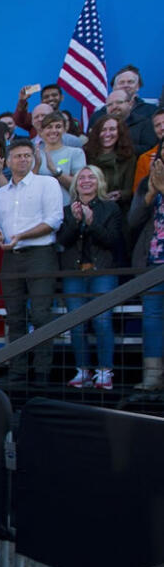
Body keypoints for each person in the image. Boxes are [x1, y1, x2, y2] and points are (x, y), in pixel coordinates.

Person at [0, 138, 65, 383]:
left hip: (40, 255)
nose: (22, 159)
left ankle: (42, 372)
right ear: (8, 161)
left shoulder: (47, 183)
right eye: (18, 156)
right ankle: (18, 371)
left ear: (33, 158)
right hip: (11, 257)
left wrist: (22, 235)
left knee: (41, 314)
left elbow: (54, 221)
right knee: (15, 316)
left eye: (26, 155)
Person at [57, 165, 124, 391]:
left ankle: (104, 372)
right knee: (76, 324)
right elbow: (62, 242)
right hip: (74, 273)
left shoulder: (110, 208)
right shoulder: (67, 210)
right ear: (75, 184)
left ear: (99, 182)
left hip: (102, 272)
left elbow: (113, 240)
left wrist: (92, 222)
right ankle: (83, 370)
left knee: (102, 321)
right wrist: (76, 222)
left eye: (91, 177)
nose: (86, 181)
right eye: (81, 178)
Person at [128, 145, 164, 390]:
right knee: (151, 321)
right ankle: (152, 376)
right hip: (152, 263)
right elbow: (132, 221)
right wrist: (151, 194)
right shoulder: (146, 183)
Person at [85, 115, 138, 211]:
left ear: (120, 133)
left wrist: (120, 194)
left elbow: (130, 190)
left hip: (118, 209)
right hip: (89, 207)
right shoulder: (86, 154)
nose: (107, 134)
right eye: (103, 130)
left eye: (112, 129)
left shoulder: (128, 157)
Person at [34, 112, 86, 204]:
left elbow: (80, 185)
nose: (53, 131)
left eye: (58, 127)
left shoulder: (75, 153)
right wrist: (37, 166)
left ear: (64, 129)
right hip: (39, 209)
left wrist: (55, 171)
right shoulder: (35, 155)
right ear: (41, 131)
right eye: (49, 127)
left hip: (67, 208)